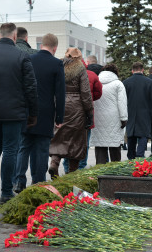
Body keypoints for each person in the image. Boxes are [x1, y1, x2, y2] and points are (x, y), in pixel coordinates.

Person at [0, 23, 38, 204]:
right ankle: (6, 192)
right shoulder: (22, 56)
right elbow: (31, 87)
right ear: (14, 36)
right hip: (15, 112)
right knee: (10, 150)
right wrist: (33, 113)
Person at [13, 33, 65, 193]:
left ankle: (19, 181)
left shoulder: (29, 59)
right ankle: (38, 182)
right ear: (55, 48)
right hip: (45, 112)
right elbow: (60, 93)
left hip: (27, 111)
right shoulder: (57, 64)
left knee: (24, 147)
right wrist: (59, 117)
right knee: (42, 149)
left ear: (42, 44)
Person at [48, 48, 93, 176]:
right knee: (76, 140)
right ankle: (71, 173)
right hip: (76, 107)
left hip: (59, 103)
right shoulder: (80, 68)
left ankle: (54, 163)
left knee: (58, 136)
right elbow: (85, 92)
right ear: (78, 57)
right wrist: (89, 111)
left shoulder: (58, 65)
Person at [64, 58, 102, 172]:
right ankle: (80, 167)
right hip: (83, 115)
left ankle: (66, 167)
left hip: (66, 113)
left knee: (67, 141)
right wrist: (89, 110)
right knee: (83, 143)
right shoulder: (90, 74)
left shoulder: (62, 72)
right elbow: (98, 92)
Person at [90, 63, 128, 163]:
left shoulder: (96, 82)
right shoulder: (118, 84)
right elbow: (122, 103)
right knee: (114, 146)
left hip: (98, 118)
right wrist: (124, 118)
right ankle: (114, 175)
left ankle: (99, 172)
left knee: (100, 146)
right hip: (114, 120)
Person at [122, 62, 152, 160]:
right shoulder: (149, 82)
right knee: (143, 135)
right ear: (142, 70)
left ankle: (131, 157)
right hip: (145, 114)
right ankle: (140, 156)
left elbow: (122, 100)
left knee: (131, 135)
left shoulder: (126, 82)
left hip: (130, 113)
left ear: (132, 70)